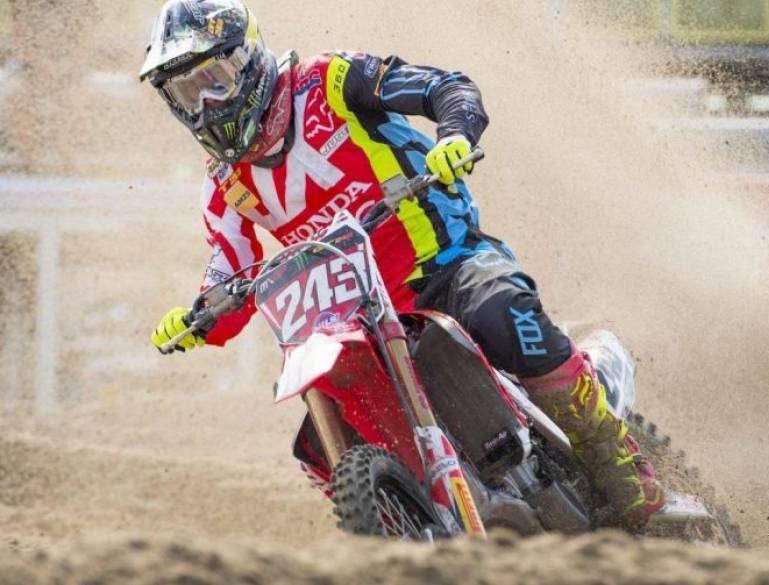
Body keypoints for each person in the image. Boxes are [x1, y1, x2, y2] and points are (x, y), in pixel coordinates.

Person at [141, 0, 663, 530]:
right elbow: (230, 270)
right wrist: (199, 316)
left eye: (214, 79)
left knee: (504, 315)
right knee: (320, 438)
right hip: (352, 317)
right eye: (186, 92)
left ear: (248, 60)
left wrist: (454, 137)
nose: (205, 103)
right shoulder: (222, 182)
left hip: (446, 264)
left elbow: (444, 87)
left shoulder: (328, 82)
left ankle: (627, 473)